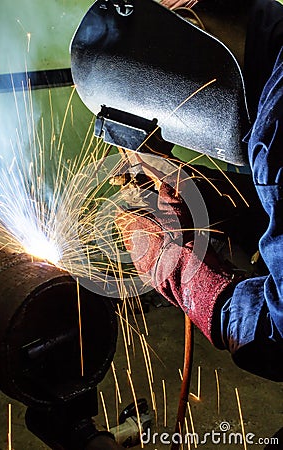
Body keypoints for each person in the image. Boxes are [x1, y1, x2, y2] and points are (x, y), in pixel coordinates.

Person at [116, 0, 283, 382]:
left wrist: (179, 273)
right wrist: (201, 188)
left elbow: (279, 336)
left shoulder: (275, 138)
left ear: (190, 28)